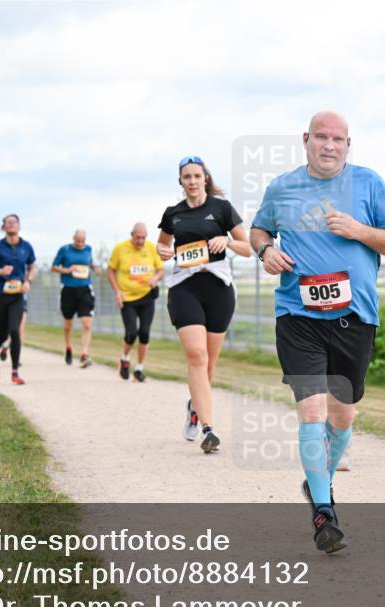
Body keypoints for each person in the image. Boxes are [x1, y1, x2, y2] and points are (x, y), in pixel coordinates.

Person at [250, 111, 385, 553]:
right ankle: (324, 512)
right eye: (322, 137)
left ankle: (317, 482)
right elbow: (260, 228)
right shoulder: (282, 188)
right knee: (312, 412)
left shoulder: (368, 183)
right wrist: (265, 250)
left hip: (355, 317)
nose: (330, 145)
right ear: (306, 140)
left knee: (343, 416)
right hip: (297, 315)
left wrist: (358, 230)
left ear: (348, 144)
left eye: (338, 139)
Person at [157, 155, 251, 453]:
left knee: (208, 363)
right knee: (196, 355)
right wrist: (162, 252)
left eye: (197, 176)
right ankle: (209, 428)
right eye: (187, 177)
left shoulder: (221, 208)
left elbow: (248, 248)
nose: (193, 182)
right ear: (181, 182)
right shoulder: (173, 213)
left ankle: (195, 407)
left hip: (219, 289)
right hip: (184, 288)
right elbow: (163, 245)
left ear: (205, 179)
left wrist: (228, 242)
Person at [108, 222, 164, 381]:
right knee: (131, 333)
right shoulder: (120, 248)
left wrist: (155, 278)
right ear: (132, 235)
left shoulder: (151, 248)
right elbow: (111, 270)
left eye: (144, 238)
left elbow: (160, 270)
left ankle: (139, 369)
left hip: (147, 296)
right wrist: (117, 292)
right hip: (127, 298)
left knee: (145, 333)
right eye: (138, 237)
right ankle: (124, 358)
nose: (141, 241)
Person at [0, 214, 35, 385]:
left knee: (15, 330)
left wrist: (28, 281)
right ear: (4, 227)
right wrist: (0, 272)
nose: (12, 224)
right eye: (8, 222)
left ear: (19, 226)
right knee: (3, 333)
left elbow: (31, 267)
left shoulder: (26, 246)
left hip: (17, 295)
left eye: (14, 222)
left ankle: (15, 372)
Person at [52, 229, 101, 368]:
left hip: (85, 289)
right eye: (78, 241)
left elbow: (90, 262)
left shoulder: (88, 249)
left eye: (82, 241)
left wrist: (95, 268)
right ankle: (68, 347)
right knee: (68, 323)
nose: (80, 243)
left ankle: (84, 354)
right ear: (73, 238)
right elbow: (54, 267)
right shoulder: (65, 250)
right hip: (68, 289)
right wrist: (67, 270)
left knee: (86, 323)